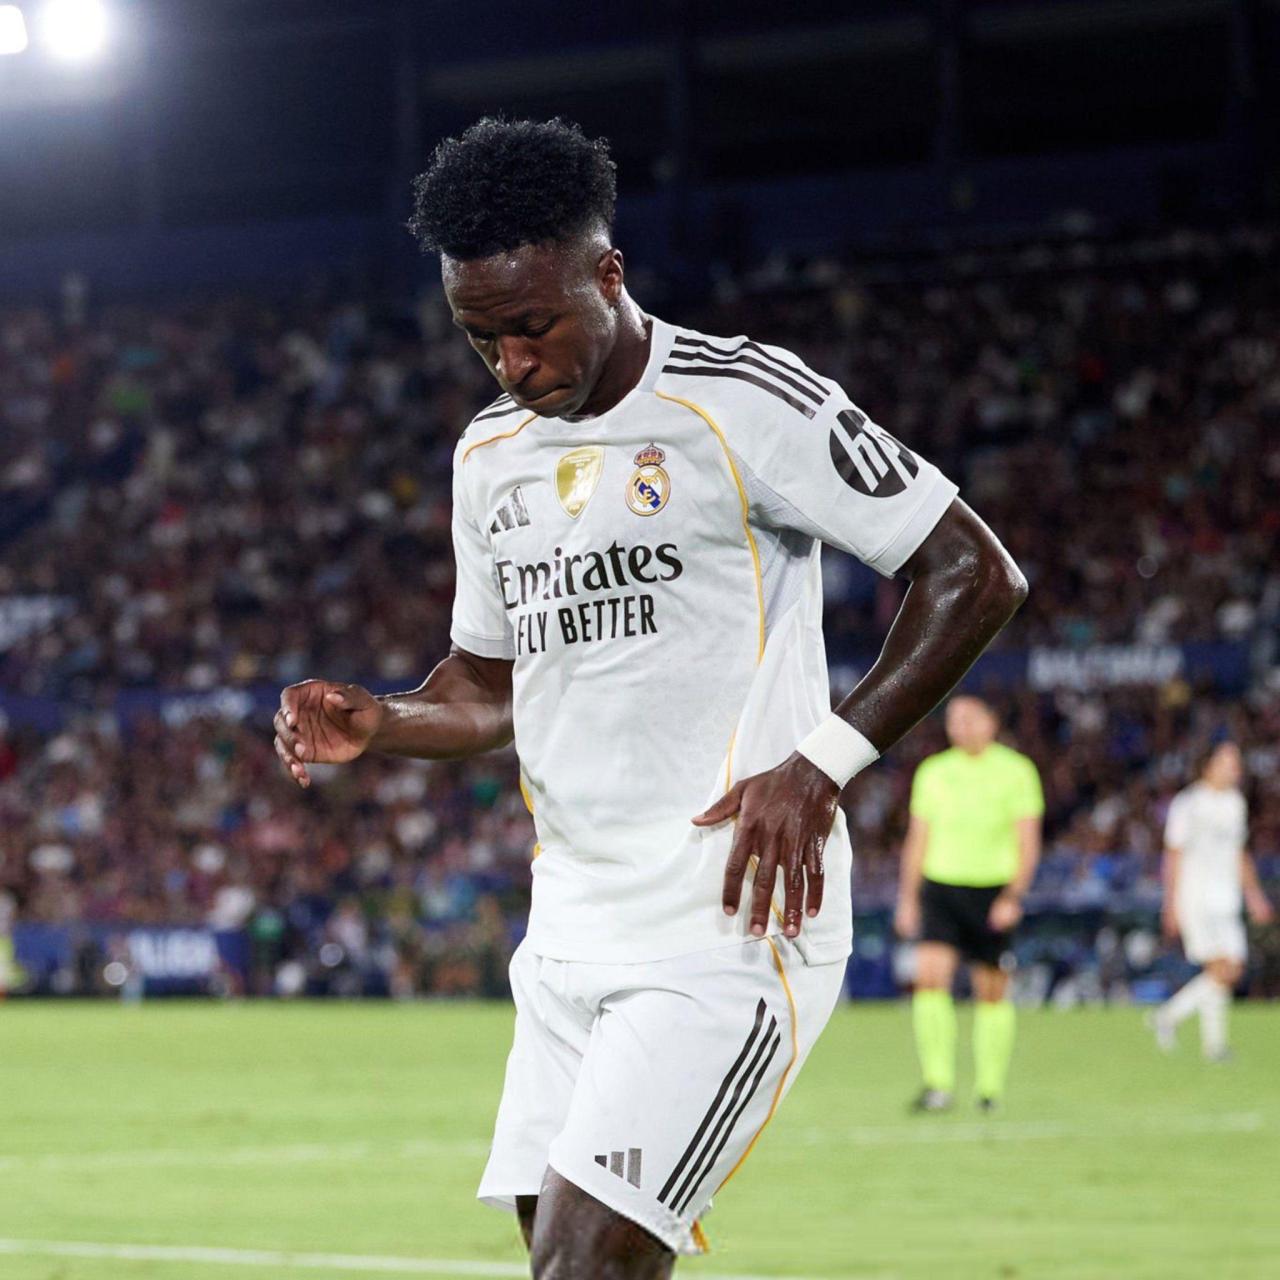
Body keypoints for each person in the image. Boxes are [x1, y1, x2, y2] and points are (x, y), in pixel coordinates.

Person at [272, 118, 1027, 1278]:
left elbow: (974, 570)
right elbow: (487, 687)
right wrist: (385, 717)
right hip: (568, 922)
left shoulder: (742, 400)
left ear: (608, 274)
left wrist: (820, 759)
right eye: (482, 341)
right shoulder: (489, 456)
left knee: (586, 1265)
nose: (512, 364)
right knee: (566, 1263)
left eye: (532, 326)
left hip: (722, 919)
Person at [894, 695, 1043, 1113]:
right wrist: (907, 899)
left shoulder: (1016, 771)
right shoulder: (933, 772)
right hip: (941, 888)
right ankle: (937, 1084)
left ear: (991, 722)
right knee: (929, 981)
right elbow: (917, 840)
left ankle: (989, 1089)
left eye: (970, 719)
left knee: (991, 991)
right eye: (954, 720)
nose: (961, 727)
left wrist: (1013, 895)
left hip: (992, 892)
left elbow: (1028, 842)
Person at [1149, 742, 1273, 1060]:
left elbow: (1238, 854)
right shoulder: (1188, 804)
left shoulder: (1235, 803)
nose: (1236, 768)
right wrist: (1170, 903)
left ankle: (1188, 1030)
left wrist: (1254, 895)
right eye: (1228, 762)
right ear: (1209, 765)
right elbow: (1173, 855)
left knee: (1228, 969)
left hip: (1227, 897)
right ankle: (1196, 1034)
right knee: (1222, 969)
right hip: (1196, 897)